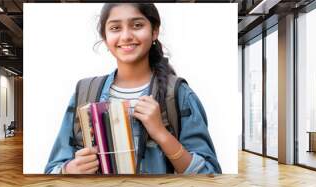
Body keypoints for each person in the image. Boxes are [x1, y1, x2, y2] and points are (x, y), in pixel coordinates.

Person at [45, 3, 222, 174]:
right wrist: (69, 170)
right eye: (115, 28)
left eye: (137, 25)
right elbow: (53, 170)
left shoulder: (179, 94)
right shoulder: (84, 93)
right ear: (106, 39)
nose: (126, 36)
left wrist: (161, 133)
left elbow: (209, 174)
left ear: (154, 31)